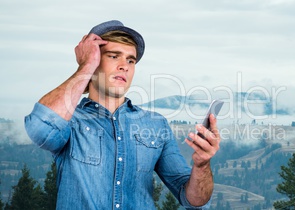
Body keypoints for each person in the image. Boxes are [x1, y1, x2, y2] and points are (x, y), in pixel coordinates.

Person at [24, 20, 221, 210]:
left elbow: (194, 200)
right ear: (93, 61)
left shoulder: (155, 125)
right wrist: (84, 67)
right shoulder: (70, 121)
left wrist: (202, 165)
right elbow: (40, 129)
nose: (124, 65)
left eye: (130, 60)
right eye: (113, 56)